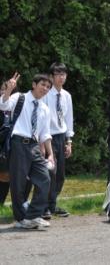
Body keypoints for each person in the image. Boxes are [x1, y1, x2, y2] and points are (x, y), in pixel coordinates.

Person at [0, 73, 54, 229]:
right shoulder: (20, 97)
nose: (45, 89)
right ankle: (21, 219)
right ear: (34, 84)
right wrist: (9, 90)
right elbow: (3, 106)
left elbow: (45, 134)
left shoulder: (44, 108)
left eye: (48, 87)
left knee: (45, 179)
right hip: (18, 143)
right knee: (18, 183)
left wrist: (50, 153)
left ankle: (33, 215)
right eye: (43, 85)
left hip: (35, 146)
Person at [40, 62, 74, 219]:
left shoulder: (67, 96)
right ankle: (44, 206)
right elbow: (42, 119)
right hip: (48, 137)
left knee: (60, 175)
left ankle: (52, 205)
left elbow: (69, 119)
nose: (61, 77)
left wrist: (69, 141)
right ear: (51, 77)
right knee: (49, 173)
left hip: (62, 137)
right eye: (58, 74)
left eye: (63, 74)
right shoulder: (46, 95)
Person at [0, 81, 12, 205]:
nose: (4, 92)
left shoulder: (14, 107)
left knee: (5, 175)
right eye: (3, 89)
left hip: (8, 147)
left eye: (7, 90)